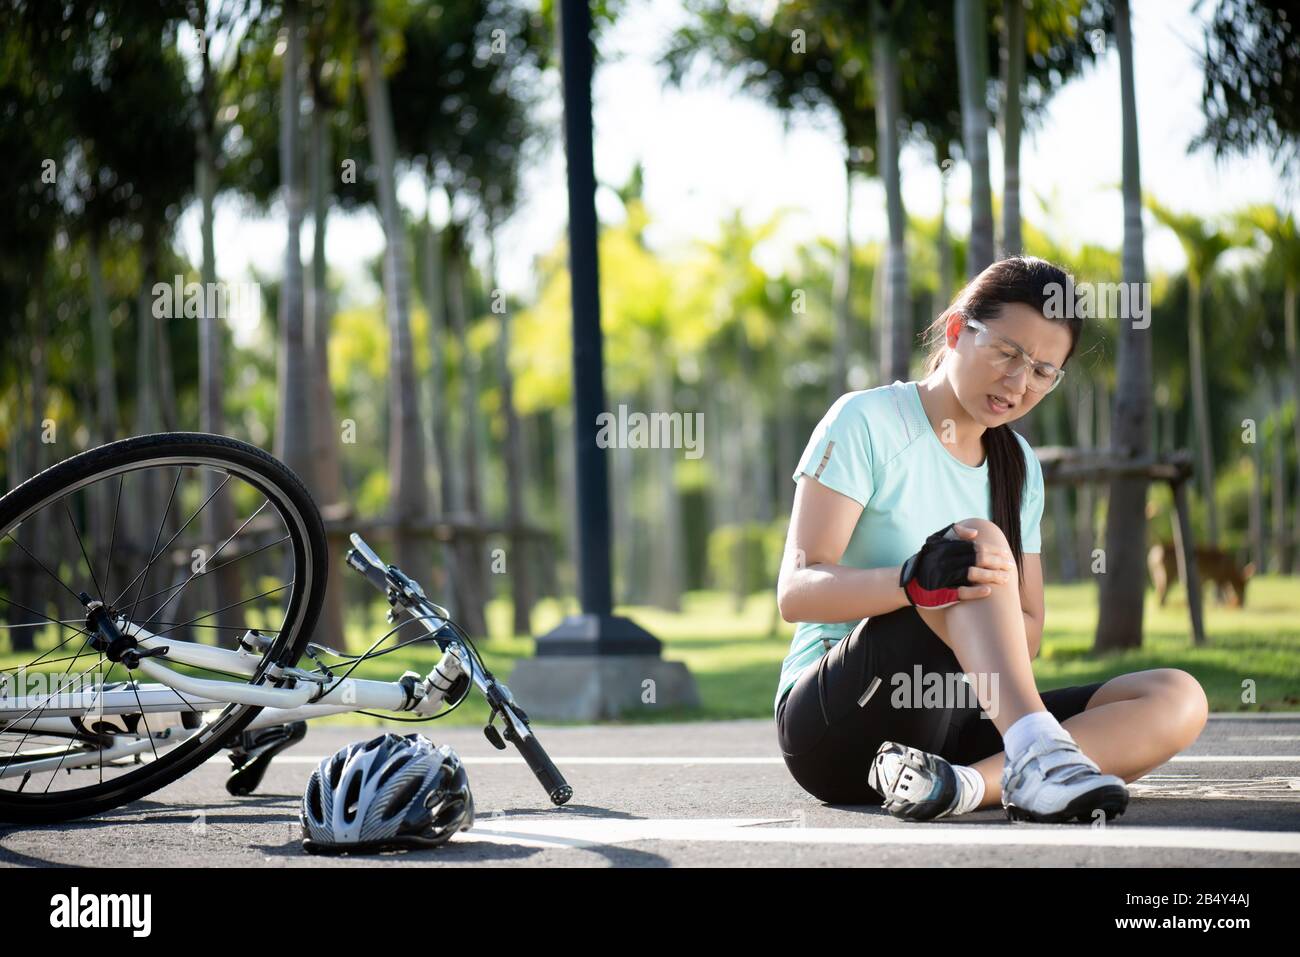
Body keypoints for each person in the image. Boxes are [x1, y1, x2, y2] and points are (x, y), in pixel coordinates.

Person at [773, 256, 1209, 823]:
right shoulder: (865, 421)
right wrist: (914, 582)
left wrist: (970, 603)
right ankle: (1038, 754)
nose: (1018, 382)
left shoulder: (1019, 466)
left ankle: (966, 786)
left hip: (956, 722)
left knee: (1177, 696)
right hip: (838, 723)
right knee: (976, 541)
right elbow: (797, 592)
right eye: (1007, 353)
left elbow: (1025, 632)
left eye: (1043, 371)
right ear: (957, 330)